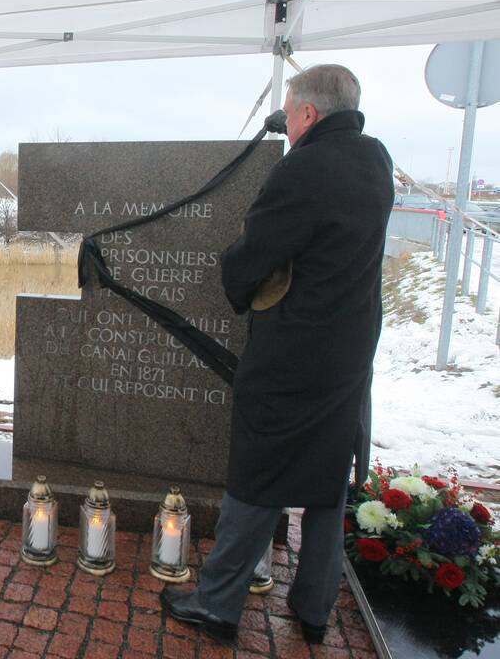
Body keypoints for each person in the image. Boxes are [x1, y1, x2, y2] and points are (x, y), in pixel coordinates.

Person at [161, 64, 394, 644]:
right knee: (325, 479)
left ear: (309, 114)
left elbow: (255, 252)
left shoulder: (305, 168)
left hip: (293, 352)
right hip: (349, 351)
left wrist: (234, 282)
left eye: (289, 113)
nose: (286, 124)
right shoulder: (376, 160)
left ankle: (217, 605)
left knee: (258, 471)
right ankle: (313, 608)